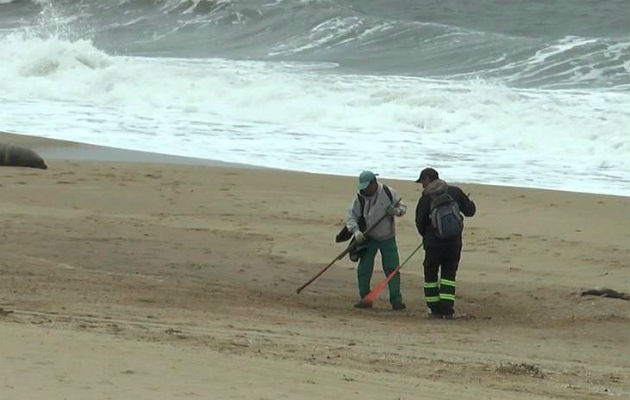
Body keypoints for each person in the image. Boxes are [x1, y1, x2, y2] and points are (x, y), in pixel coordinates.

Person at [414, 168, 476, 319]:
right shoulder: (455, 192)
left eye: (422, 181)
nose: (422, 185)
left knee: (430, 275)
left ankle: (434, 309)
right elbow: (470, 211)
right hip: (454, 242)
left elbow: (420, 222)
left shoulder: (426, 197)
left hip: (433, 244)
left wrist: (428, 235)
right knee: (449, 275)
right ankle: (447, 309)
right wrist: (469, 202)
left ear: (428, 179)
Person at [346, 170, 407, 310]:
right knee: (364, 269)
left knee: (392, 269)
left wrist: (396, 211)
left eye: (367, 186)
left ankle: (396, 301)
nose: (365, 190)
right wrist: (356, 231)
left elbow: (403, 208)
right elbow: (352, 216)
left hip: (387, 237)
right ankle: (365, 298)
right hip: (368, 238)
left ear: (374, 182)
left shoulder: (388, 192)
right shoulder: (359, 198)